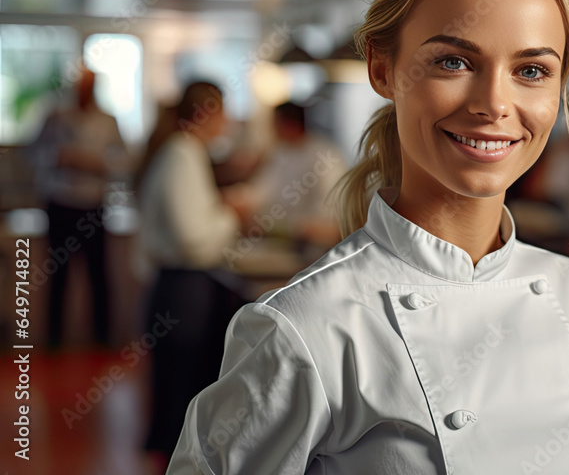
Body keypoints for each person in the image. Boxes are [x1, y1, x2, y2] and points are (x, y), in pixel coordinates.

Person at [166, 0, 569, 473]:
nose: (493, 104)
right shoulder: (306, 327)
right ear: (383, 67)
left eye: (531, 69)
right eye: (453, 61)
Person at [135, 81, 254, 469]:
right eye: (223, 111)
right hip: (183, 289)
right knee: (182, 394)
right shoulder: (183, 153)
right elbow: (192, 236)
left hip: (180, 287)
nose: (227, 120)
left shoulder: (181, 150)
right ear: (206, 112)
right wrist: (229, 214)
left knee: (176, 391)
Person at [29, 67, 128, 348]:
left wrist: (96, 164)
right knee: (58, 275)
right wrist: (58, 158)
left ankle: (102, 339)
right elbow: (32, 153)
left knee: (99, 274)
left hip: (93, 207)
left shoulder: (108, 121)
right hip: (60, 204)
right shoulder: (55, 117)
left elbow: (123, 162)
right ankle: (54, 340)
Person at [246, 101, 348, 249]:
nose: (271, 130)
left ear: (289, 124)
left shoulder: (326, 156)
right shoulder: (280, 152)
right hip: (283, 235)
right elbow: (264, 190)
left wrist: (299, 227)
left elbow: (332, 209)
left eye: (274, 124)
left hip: (317, 243)